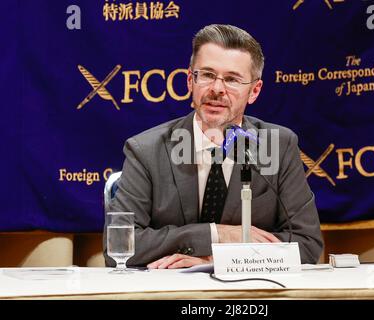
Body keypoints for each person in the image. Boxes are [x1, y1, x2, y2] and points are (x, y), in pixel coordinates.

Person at [103, 24, 323, 269]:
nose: (217, 89)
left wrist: (214, 260)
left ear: (254, 91)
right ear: (190, 81)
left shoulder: (279, 146)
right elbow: (118, 248)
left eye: (232, 79)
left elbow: (307, 244)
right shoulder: (145, 150)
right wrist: (215, 234)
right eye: (207, 75)